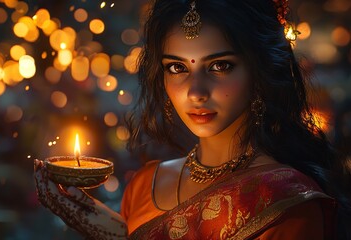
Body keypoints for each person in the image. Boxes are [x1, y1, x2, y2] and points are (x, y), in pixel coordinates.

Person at [34, 0, 351, 239]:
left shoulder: (286, 201)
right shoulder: (145, 185)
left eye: (220, 66)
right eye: (177, 68)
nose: (195, 91)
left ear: (259, 72)